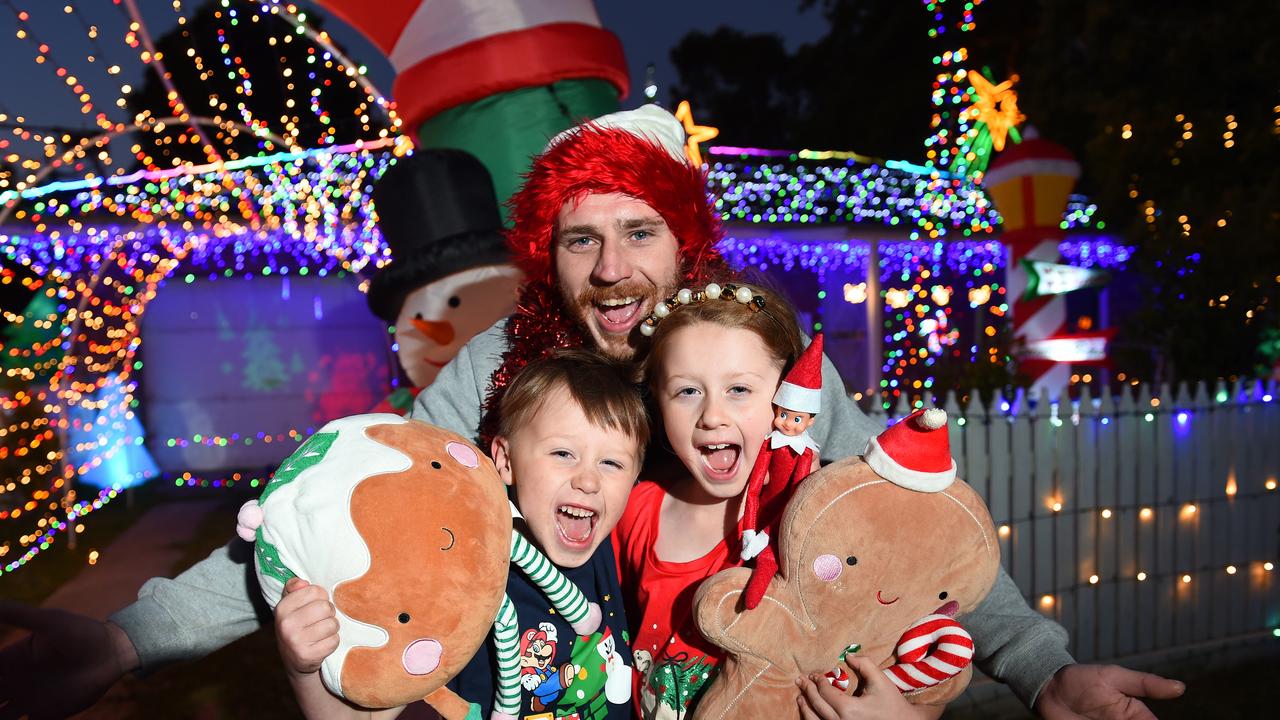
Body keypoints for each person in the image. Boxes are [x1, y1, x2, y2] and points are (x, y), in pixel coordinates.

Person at [0, 105, 1183, 720]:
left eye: (638, 232)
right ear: (548, 262)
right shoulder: (496, 378)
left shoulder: (767, 374)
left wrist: (1039, 672)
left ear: (684, 246)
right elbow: (335, 513)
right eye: (580, 238)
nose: (611, 267)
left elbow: (906, 530)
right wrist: (128, 637)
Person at [619, 280, 944, 719]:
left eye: (739, 390)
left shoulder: (827, 525)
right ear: (657, 402)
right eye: (687, 391)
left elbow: (902, 656)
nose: (712, 416)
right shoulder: (637, 508)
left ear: (788, 400)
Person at [277, 351, 643, 719]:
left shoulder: (618, 545)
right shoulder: (457, 568)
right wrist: (303, 668)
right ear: (505, 461)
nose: (589, 481)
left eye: (611, 463)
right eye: (563, 453)